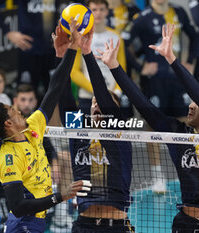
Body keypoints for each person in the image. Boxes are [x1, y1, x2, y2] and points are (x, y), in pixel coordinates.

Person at [97, 24, 199, 232]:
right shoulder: (179, 135)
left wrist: (172, 59)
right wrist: (115, 67)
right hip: (186, 224)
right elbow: (144, 105)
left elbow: (197, 92)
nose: (190, 105)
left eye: (197, 104)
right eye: (191, 102)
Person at [0, 21, 91, 233]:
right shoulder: (8, 158)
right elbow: (18, 206)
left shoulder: (31, 127)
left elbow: (54, 89)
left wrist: (68, 50)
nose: (18, 109)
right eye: (12, 110)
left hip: (38, 222)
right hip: (23, 225)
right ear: (8, 124)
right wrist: (61, 196)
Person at [59, 27, 135, 233]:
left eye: (102, 103)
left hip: (115, 226)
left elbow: (103, 95)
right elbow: (64, 98)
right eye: (94, 103)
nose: (97, 106)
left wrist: (87, 53)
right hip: (84, 224)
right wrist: (64, 56)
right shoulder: (79, 133)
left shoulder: (119, 134)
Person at [122, 0, 198, 193]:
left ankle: (187, 171)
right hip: (154, 82)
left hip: (177, 78)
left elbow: (194, 36)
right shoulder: (142, 17)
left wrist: (189, 62)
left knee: (186, 124)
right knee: (153, 126)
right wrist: (141, 67)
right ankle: (158, 175)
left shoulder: (179, 12)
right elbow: (123, 41)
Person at [70, 0, 127, 115]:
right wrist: (97, 90)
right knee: (82, 132)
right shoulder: (80, 37)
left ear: (107, 11)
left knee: (114, 132)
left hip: (113, 98)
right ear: (88, 13)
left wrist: (117, 92)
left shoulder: (116, 37)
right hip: (87, 97)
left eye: (101, 9)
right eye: (94, 10)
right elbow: (73, 71)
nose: (98, 13)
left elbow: (122, 68)